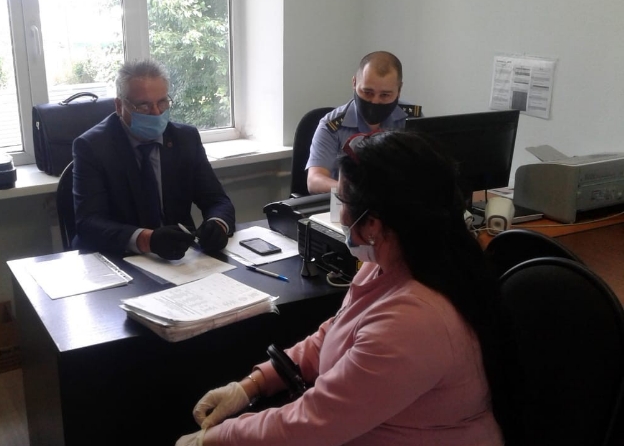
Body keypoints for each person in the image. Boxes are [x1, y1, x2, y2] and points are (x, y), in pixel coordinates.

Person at [176, 131, 505, 446]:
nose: (341, 214)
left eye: (342, 200)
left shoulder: (415, 320)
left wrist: (214, 439)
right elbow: (334, 334)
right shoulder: (389, 264)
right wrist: (254, 385)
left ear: (373, 224)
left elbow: (312, 423)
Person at [71, 59, 235, 260]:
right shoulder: (92, 147)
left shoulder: (185, 139)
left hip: (180, 256)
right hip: (118, 256)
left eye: (162, 102)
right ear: (119, 106)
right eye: (144, 106)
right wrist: (147, 240)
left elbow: (217, 200)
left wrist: (218, 224)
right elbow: (88, 223)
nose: (156, 112)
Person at [306, 51, 421, 194]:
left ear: (399, 90)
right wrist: (355, 192)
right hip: (349, 200)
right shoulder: (332, 125)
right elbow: (314, 181)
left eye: (385, 95)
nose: (375, 101)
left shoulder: (412, 119)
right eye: (368, 92)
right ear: (354, 83)